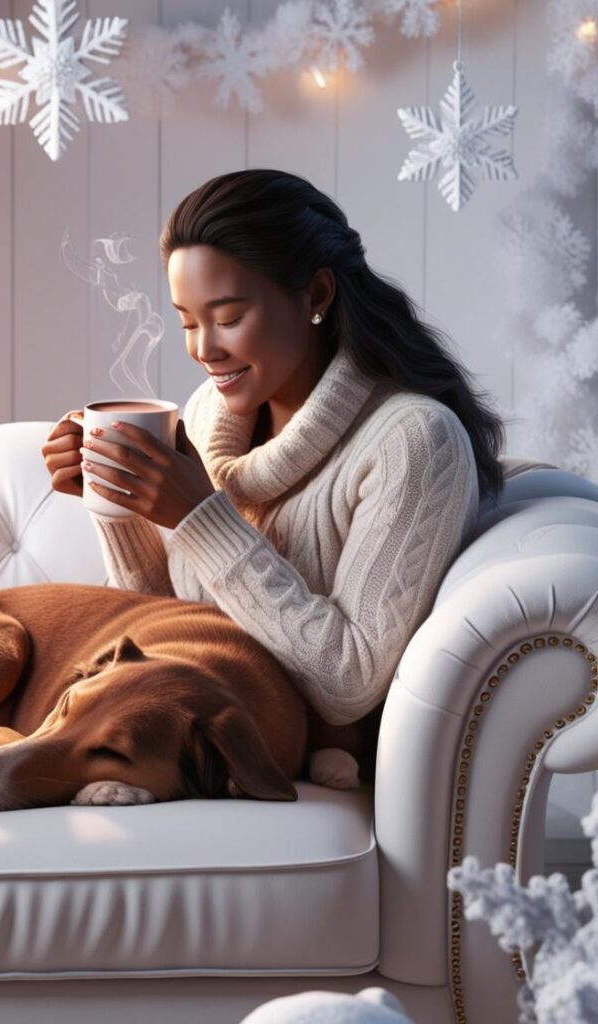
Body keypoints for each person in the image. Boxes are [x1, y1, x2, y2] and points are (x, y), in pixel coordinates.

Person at [41, 168, 506, 733]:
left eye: (229, 318)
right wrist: (115, 505)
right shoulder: (210, 412)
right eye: (187, 322)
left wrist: (198, 518)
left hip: (292, 756)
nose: (204, 350)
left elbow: (349, 683)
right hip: (198, 730)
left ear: (316, 294)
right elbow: (170, 632)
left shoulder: (412, 442)